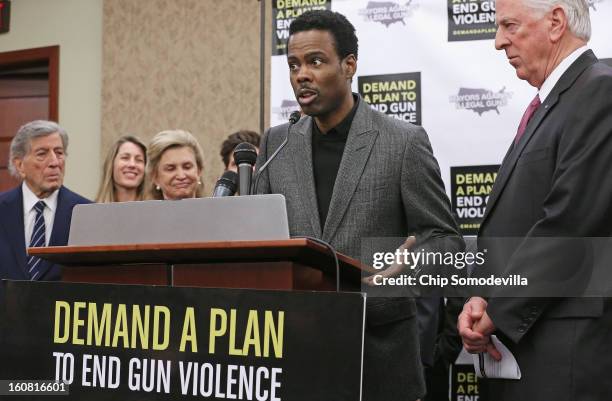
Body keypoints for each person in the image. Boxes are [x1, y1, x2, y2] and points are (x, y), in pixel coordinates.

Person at [255, 10, 462, 401]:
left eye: (315, 61)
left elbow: (447, 241)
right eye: (294, 64)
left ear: (349, 65)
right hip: (295, 356)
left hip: (379, 358)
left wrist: (409, 267)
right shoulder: (276, 144)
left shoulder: (402, 142)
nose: (302, 74)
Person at [458, 0, 612, 399]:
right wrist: (481, 294)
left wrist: (496, 311)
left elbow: (571, 222)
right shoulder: (555, 100)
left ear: (556, 22)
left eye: (509, 25)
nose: (498, 42)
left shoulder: (599, 90)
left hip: (563, 355)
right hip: (526, 350)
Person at [0, 120, 90, 281]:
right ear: (19, 165)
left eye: (59, 153)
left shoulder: (86, 212)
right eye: (42, 154)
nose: (54, 162)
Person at [146, 129, 204, 200]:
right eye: (171, 169)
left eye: (187, 167)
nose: (181, 176)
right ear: (155, 177)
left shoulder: (217, 210)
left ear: (199, 171)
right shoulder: (140, 211)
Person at [95, 135, 147, 203]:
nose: (132, 164)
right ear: (111, 165)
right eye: (125, 158)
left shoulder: (157, 211)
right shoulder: (91, 211)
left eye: (139, 160)